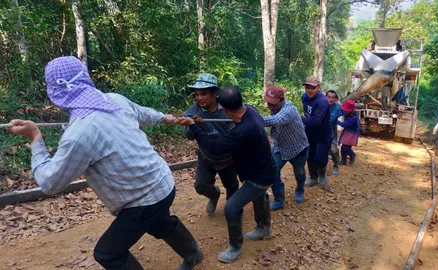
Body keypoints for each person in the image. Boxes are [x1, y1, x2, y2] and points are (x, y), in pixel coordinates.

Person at [7, 56, 203, 270]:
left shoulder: (78, 135)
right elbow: (144, 113)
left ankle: (193, 253)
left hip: (143, 200)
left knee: (108, 254)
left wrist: (36, 137)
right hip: (164, 182)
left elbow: (49, 183)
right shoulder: (114, 100)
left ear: (55, 93)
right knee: (158, 222)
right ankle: (193, 254)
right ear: (86, 79)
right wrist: (165, 117)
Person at [177, 86, 275, 263]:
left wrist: (194, 127)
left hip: (260, 176)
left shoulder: (241, 131)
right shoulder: (251, 112)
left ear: (226, 109)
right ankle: (263, 228)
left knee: (231, 207)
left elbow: (215, 147)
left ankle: (235, 248)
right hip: (262, 169)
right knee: (259, 197)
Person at [183, 73, 239, 216]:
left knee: (232, 186)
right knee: (201, 186)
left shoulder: (227, 108)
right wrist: (194, 126)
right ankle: (214, 195)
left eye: (203, 94)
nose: (199, 98)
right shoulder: (193, 111)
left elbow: (240, 127)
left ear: (215, 93)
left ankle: (231, 211)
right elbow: (188, 136)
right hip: (207, 156)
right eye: (196, 94)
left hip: (229, 157)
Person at [262, 86, 309, 210]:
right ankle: (279, 200)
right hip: (280, 147)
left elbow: (276, 120)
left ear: (282, 100)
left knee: (299, 172)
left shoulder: (289, 109)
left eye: (273, 104)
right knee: (272, 171)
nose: (270, 107)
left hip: (298, 148)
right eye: (268, 103)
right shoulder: (274, 109)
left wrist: (251, 119)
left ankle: (300, 188)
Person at [301, 76, 332, 189]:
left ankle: (322, 173)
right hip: (310, 133)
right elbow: (307, 114)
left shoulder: (322, 101)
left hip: (323, 134)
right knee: (310, 156)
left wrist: (298, 119)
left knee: (320, 158)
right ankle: (313, 177)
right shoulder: (304, 97)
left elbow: (315, 121)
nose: (309, 90)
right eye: (307, 87)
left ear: (318, 87)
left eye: (313, 88)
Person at [337, 100, 360, 165]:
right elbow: (341, 109)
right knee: (343, 147)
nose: (345, 111)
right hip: (347, 131)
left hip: (352, 133)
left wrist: (335, 120)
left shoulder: (354, 118)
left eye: (346, 110)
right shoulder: (347, 112)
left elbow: (344, 124)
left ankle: (352, 154)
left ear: (350, 110)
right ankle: (343, 160)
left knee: (345, 147)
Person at [326, 90, 343, 175]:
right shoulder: (321, 105)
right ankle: (321, 170)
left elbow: (330, 119)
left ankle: (336, 165)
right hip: (321, 133)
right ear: (326, 97)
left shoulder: (337, 108)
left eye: (333, 98)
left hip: (332, 134)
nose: (330, 99)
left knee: (333, 149)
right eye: (329, 97)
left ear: (335, 99)